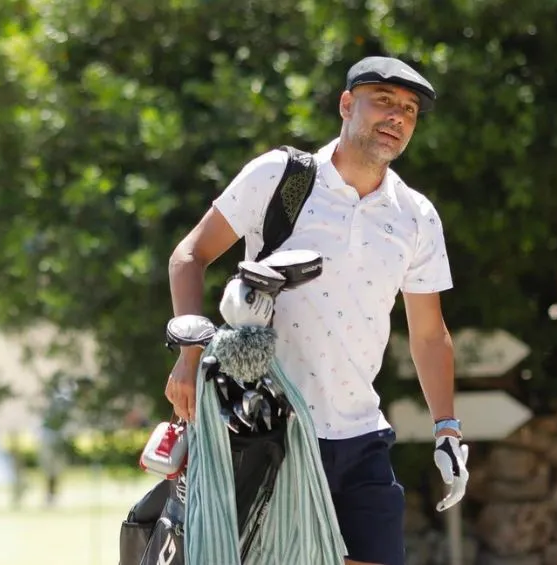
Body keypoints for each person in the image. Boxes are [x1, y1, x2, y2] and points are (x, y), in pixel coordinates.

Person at [165, 56, 469, 565]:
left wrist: (447, 429)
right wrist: (189, 352)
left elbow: (429, 335)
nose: (397, 117)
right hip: (269, 427)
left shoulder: (416, 215)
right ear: (347, 105)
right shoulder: (280, 177)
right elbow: (189, 255)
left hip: (361, 436)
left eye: (409, 110)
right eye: (384, 101)